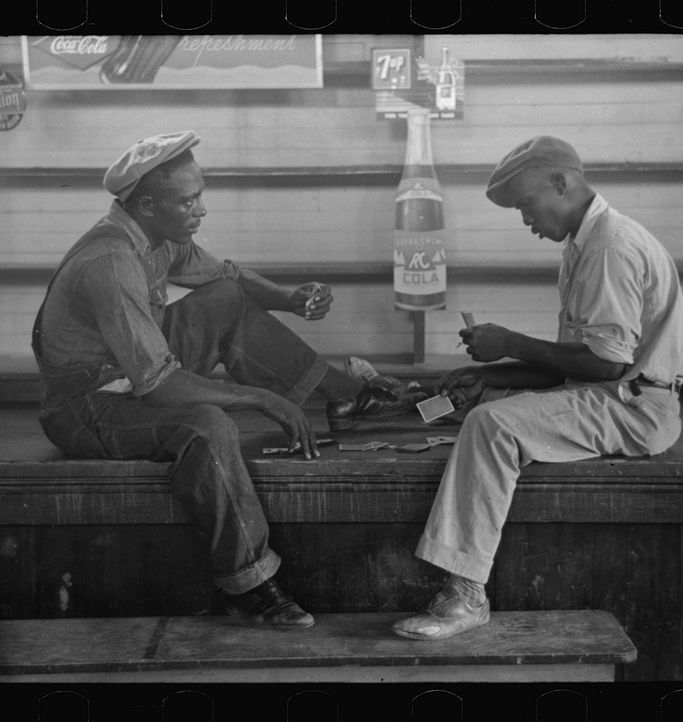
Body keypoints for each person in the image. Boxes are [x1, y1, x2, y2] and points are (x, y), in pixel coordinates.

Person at [31, 130, 425, 629]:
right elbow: (160, 386)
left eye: (201, 194)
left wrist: (290, 298)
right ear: (147, 205)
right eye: (189, 200)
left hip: (129, 374)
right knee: (208, 425)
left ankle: (348, 398)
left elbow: (227, 276)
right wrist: (262, 399)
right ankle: (251, 583)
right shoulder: (112, 262)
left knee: (221, 299)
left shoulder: (154, 234)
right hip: (87, 407)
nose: (201, 209)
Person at [392, 136, 683, 641]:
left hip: (636, 408)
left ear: (562, 182)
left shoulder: (610, 246)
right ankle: (455, 414)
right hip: (612, 393)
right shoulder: (585, 244)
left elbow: (603, 367)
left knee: (489, 426)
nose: (526, 219)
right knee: (481, 402)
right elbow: (571, 368)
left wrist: (509, 341)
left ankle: (465, 594)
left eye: (526, 204)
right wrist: (490, 374)